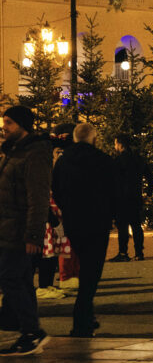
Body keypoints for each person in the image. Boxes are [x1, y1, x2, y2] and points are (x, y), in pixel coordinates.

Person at [50, 123, 115, 337]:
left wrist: (67, 208)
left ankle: (87, 316)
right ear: (93, 139)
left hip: (73, 221)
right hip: (97, 221)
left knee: (85, 268)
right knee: (91, 271)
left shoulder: (63, 161)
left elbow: (56, 189)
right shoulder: (103, 160)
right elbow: (113, 190)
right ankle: (82, 320)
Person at [0, 106, 52, 355]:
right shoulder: (14, 152)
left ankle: (32, 332)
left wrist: (33, 235)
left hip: (19, 231)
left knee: (9, 277)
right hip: (8, 229)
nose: (4, 127)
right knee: (20, 280)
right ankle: (31, 332)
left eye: (8, 122)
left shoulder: (35, 154)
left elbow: (38, 197)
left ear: (22, 125)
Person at [109, 135, 152, 262]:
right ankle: (139, 252)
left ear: (120, 144)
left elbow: (113, 181)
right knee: (136, 225)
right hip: (136, 197)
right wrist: (148, 194)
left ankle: (123, 253)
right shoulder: (138, 159)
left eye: (115, 144)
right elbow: (150, 176)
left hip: (121, 198)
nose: (115, 146)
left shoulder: (118, 161)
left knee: (122, 226)